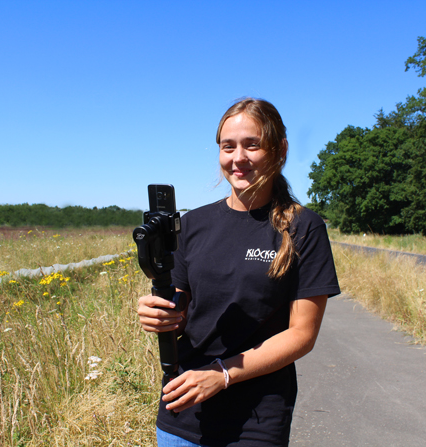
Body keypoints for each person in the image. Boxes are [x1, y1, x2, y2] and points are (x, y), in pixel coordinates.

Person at [138, 98, 340, 447]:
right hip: (184, 405)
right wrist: (161, 314)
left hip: (257, 417)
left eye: (252, 145)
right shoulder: (192, 224)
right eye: (227, 146)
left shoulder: (303, 228)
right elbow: (184, 310)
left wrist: (222, 374)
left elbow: (302, 335)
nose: (238, 158)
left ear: (280, 150)